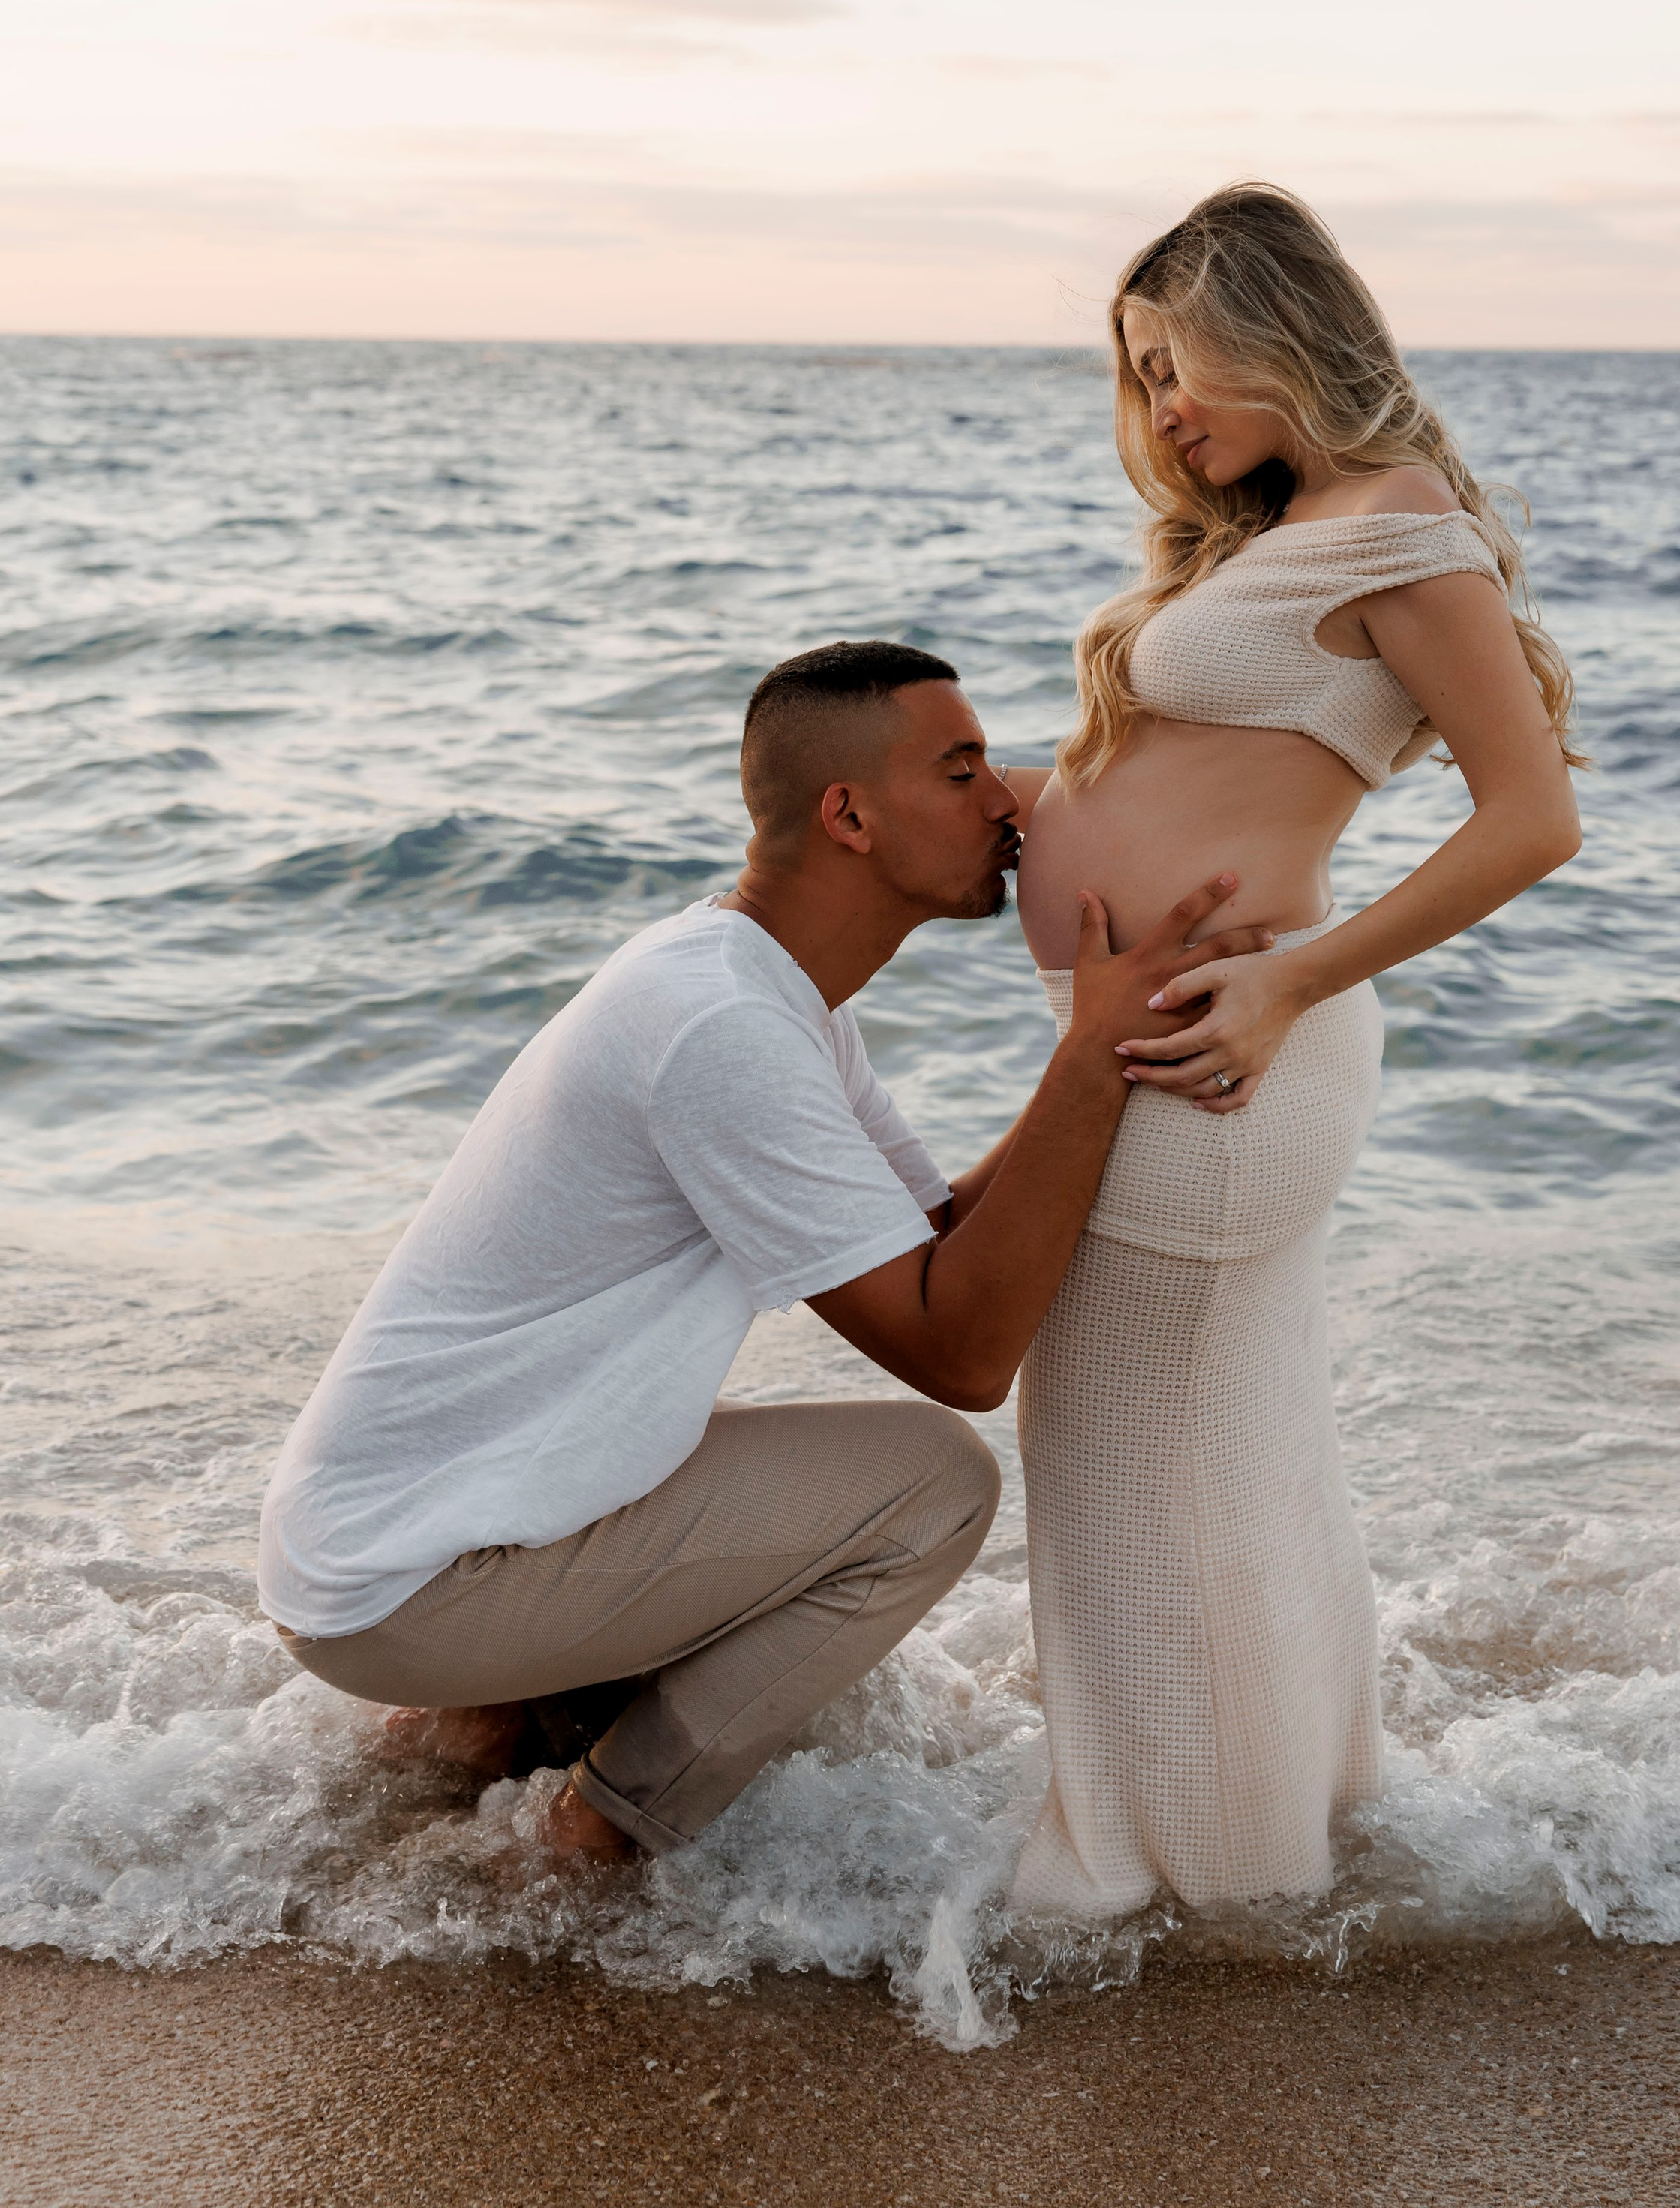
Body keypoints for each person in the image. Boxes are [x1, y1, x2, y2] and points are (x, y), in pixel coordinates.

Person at [259, 640, 1272, 1861]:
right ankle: (595, 1834)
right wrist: (1088, 1063)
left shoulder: (762, 989)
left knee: (830, 1473)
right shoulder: (725, 1024)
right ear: (848, 813)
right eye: (959, 772)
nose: (1011, 797)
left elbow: (939, 1240)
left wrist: (1110, 1042)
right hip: (410, 1577)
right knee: (931, 1488)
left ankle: (492, 1730)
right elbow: (962, 1354)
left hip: (399, 1536)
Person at [996, 182, 1584, 1918]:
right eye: (1135, 373)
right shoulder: (1283, 537)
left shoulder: (1399, 528)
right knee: (1213, 1462)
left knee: (1128, 1468)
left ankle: (1181, 1883)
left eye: (1175, 360)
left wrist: (1291, 980)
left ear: (1276, 330)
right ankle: (1264, 1843)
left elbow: (1531, 817)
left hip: (1223, 1056)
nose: (1159, 407)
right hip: (1165, 1051)